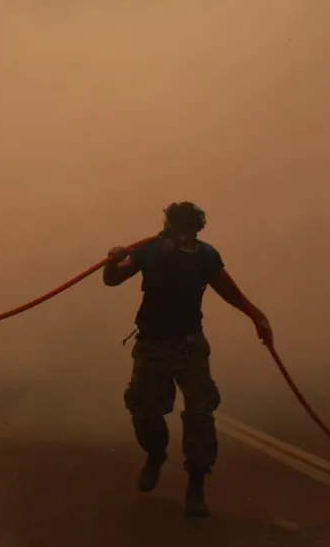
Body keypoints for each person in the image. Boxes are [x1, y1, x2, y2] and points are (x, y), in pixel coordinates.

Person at [103, 201, 273, 517]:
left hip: (189, 345)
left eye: (179, 230)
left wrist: (257, 317)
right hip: (152, 345)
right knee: (144, 412)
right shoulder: (150, 251)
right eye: (170, 227)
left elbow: (228, 290)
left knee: (200, 413)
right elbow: (112, 280)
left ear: (193, 231)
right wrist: (113, 261)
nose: (172, 234)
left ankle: (196, 485)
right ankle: (155, 456)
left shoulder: (206, 257)